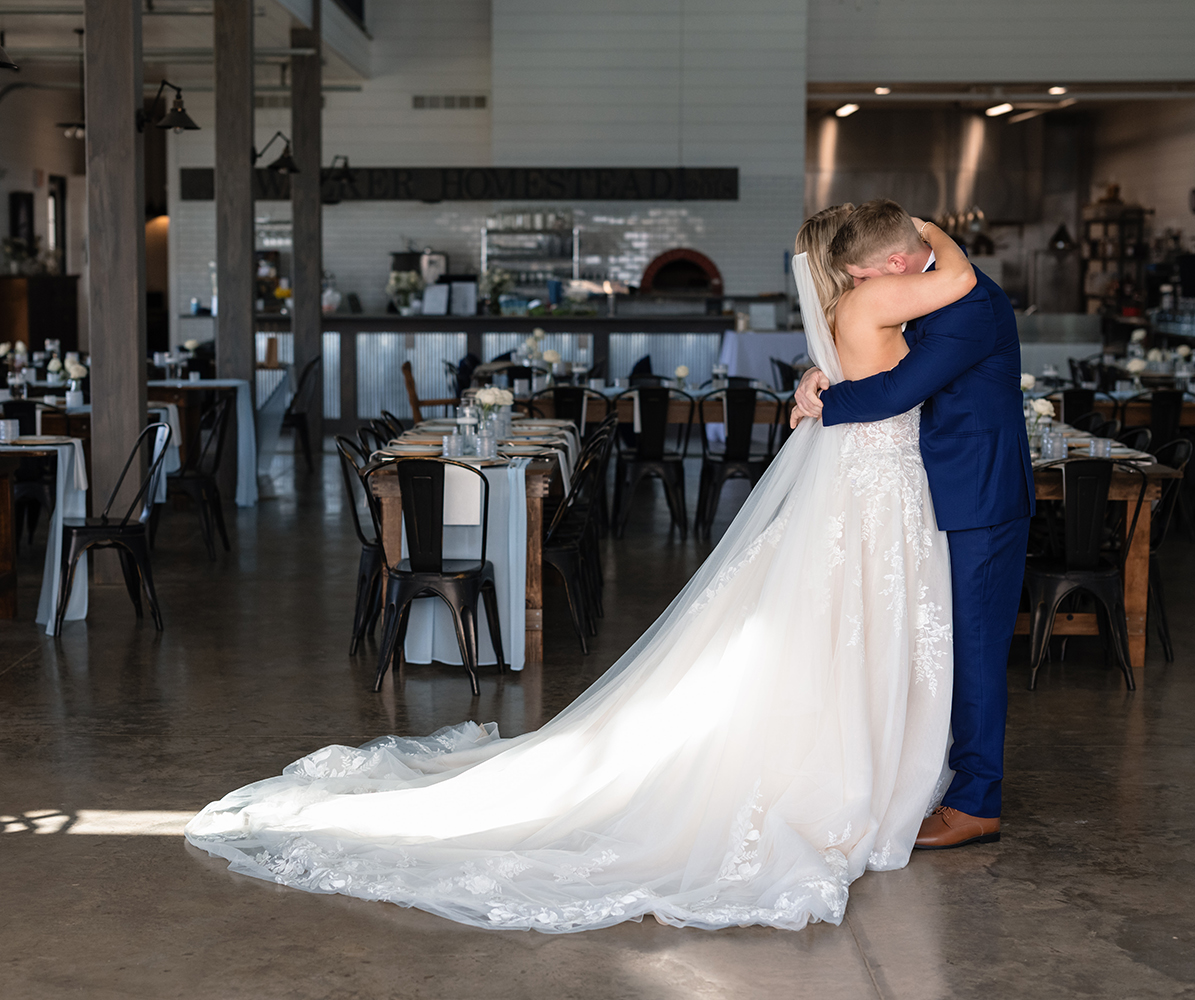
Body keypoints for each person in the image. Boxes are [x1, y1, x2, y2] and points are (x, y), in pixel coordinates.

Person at [184, 207, 977, 933]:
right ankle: (857, 782)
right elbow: (967, 284)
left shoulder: (857, 305)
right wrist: (931, 227)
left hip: (872, 485)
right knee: (858, 627)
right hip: (878, 490)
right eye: (904, 256)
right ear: (875, 267)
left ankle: (854, 772)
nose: (918, 263)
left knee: (846, 626)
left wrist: (820, 383)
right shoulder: (880, 300)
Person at [791, 198, 1034, 850]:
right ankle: (933, 775)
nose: (861, 288)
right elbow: (881, 355)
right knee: (937, 644)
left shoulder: (967, 305)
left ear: (895, 262)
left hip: (979, 497)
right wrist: (822, 370)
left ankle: (977, 803)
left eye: (864, 275)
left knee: (976, 652)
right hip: (937, 491)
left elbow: (896, 392)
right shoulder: (932, 290)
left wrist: (822, 399)